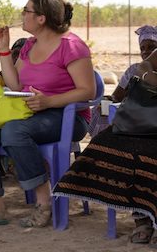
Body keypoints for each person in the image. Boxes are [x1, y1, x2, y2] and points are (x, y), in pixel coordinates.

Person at [0, 0, 95, 229]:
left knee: (14, 132)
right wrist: (3, 50)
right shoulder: (30, 46)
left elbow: (88, 91)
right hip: (31, 113)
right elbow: (15, 85)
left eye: (26, 11)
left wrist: (48, 102)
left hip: (66, 116)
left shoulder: (72, 46)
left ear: (41, 18)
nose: (22, 15)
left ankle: (44, 203)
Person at [54, 48, 157, 246]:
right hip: (146, 124)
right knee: (108, 144)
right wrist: (150, 75)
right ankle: (142, 217)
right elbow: (141, 68)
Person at [109, 25, 157, 103]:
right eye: (142, 48)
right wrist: (110, 100)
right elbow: (116, 96)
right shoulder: (133, 70)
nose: (145, 52)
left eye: (151, 47)